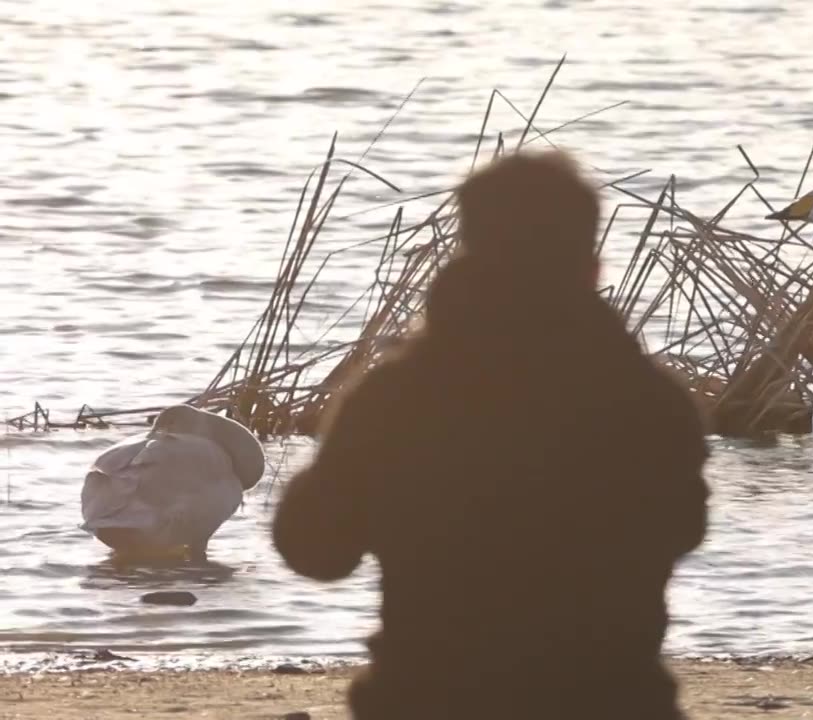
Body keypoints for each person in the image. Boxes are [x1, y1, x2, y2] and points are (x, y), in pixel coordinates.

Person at [271, 150, 710, 720]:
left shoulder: (397, 398)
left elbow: (315, 550)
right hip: (612, 701)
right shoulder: (653, 403)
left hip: (429, 701)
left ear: (468, 252)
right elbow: (683, 529)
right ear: (591, 266)